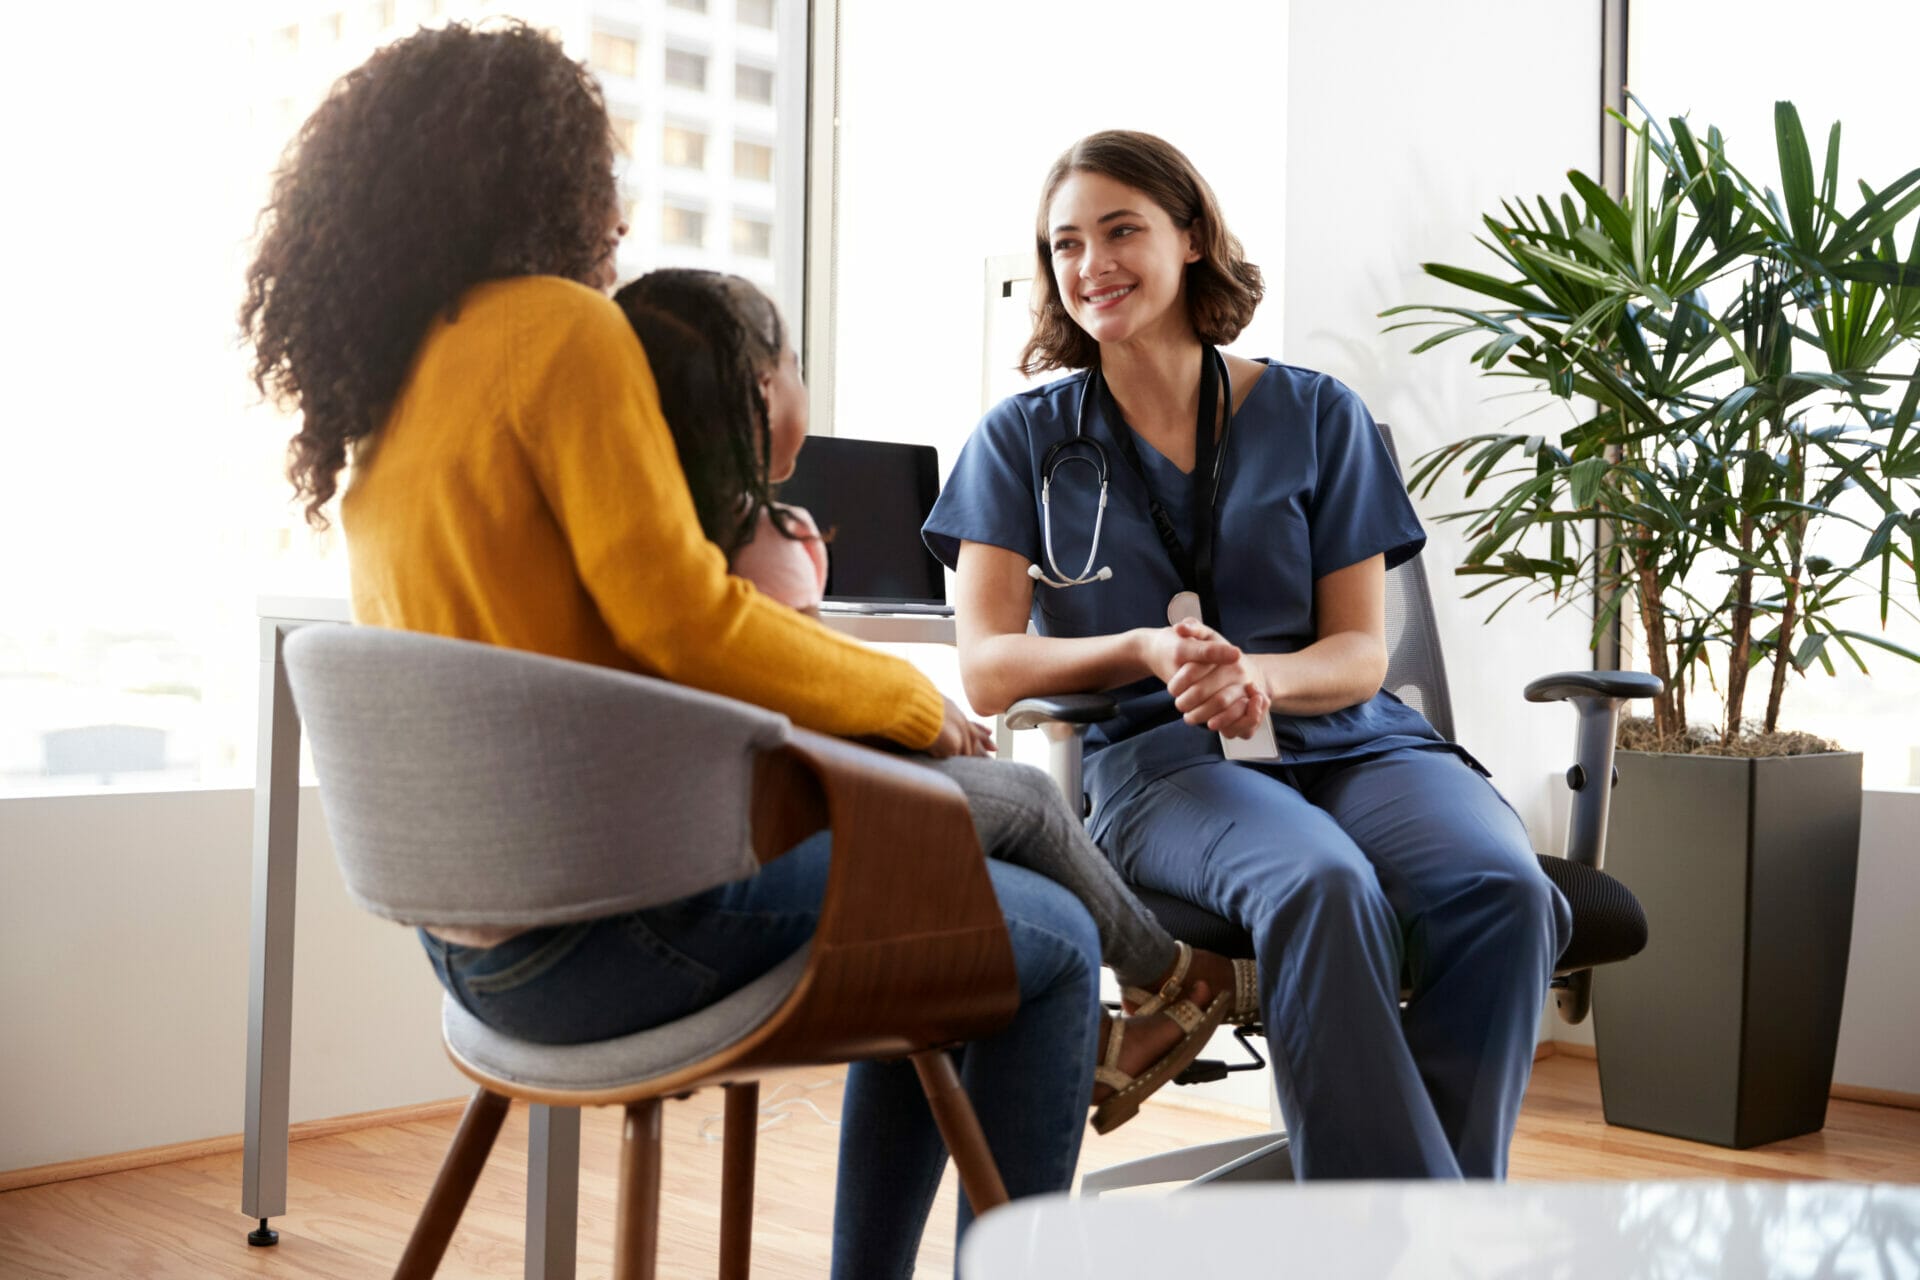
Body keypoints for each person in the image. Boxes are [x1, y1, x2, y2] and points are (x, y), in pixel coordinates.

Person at [240, 24, 1080, 1272]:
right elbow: (681, 616)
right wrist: (905, 698)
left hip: (482, 958)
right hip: (621, 930)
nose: (618, 214)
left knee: (953, 902)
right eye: (601, 176)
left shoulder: (392, 390)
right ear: (542, 178)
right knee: (1047, 944)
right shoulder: (563, 330)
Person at [922, 129, 1574, 1180]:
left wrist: (1261, 675)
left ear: (1191, 237)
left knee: (1505, 887)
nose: (1093, 264)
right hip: (1164, 764)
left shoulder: (1318, 413)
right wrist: (1139, 646)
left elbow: (1362, 649)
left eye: (1122, 229)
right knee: (1321, 884)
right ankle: (1411, 1237)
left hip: (1354, 742)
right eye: (1066, 244)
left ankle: (1412, 1223)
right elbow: (990, 666)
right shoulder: (1022, 439)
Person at [610, 267, 1259, 1132]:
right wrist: (917, 716)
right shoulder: (768, 543)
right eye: (798, 364)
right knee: (1025, 805)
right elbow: (799, 696)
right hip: (769, 828)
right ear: (762, 390)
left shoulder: (627, 541)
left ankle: (1153, 991)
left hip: (696, 829)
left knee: (989, 860)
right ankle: (1174, 976)